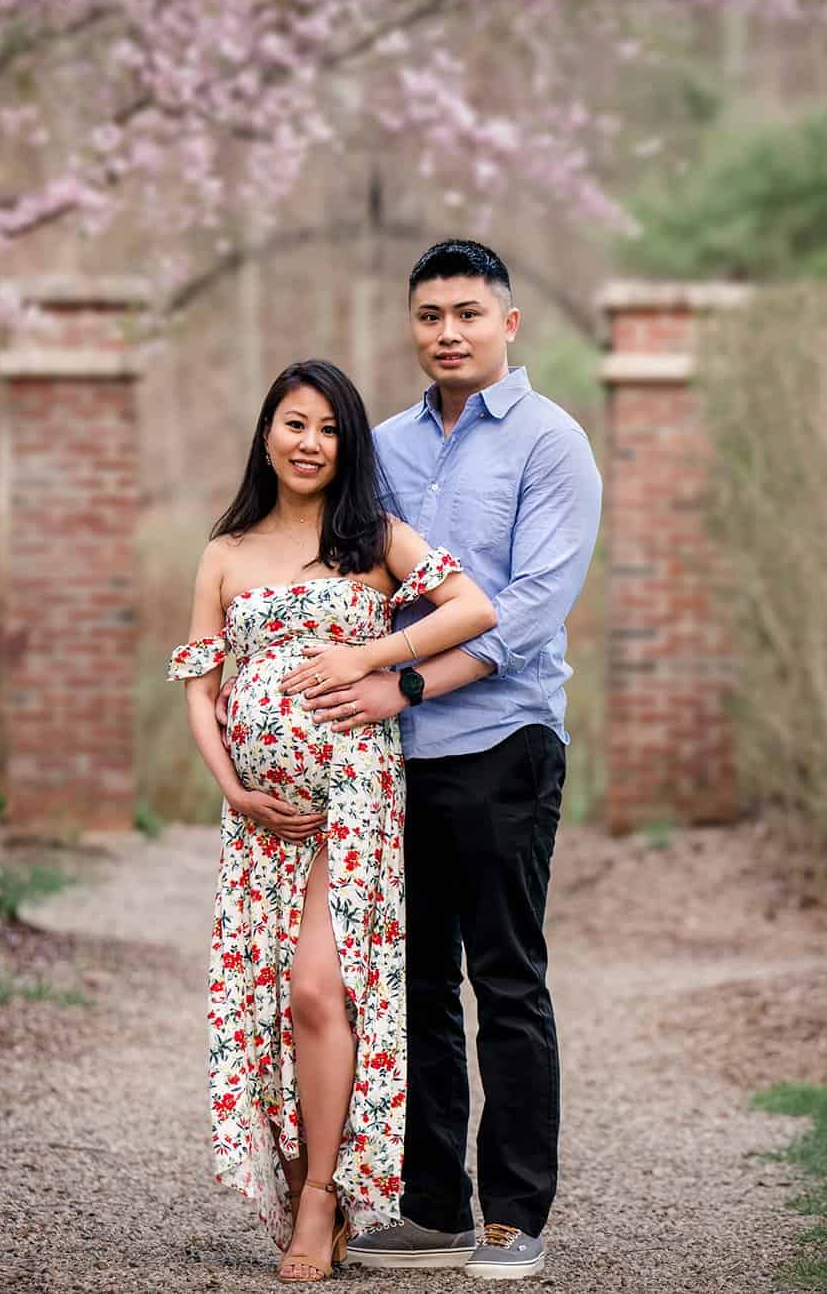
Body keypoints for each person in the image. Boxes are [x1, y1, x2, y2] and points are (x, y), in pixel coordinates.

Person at [290, 240, 601, 1282]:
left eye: (466, 312)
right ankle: (433, 1206)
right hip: (391, 762)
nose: (446, 332)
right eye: (428, 316)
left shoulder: (552, 445)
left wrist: (403, 679)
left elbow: (526, 612)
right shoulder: (380, 448)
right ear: (410, 328)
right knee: (409, 982)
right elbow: (344, 579)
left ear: (508, 324)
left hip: (504, 743)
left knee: (503, 977)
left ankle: (515, 1215)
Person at [171, 358, 498, 1284]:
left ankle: (323, 1195)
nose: (310, 443)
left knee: (319, 990)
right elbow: (200, 688)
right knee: (272, 1002)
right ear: (267, 433)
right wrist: (233, 788)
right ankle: (293, 1171)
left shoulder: (373, 538)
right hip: (260, 819)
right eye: (295, 424)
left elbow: (472, 607)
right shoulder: (225, 551)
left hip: (353, 806)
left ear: (347, 445)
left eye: (329, 429)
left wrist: (374, 652)